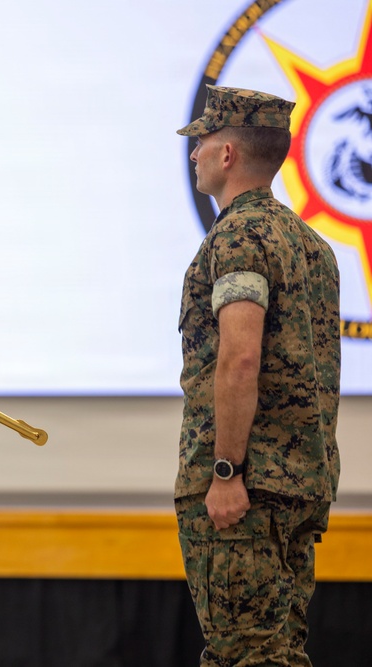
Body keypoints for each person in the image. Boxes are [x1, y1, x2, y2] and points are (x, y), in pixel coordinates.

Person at [174, 85, 341, 666]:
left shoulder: (239, 236)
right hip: (296, 486)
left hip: (247, 490)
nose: (193, 154)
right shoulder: (313, 244)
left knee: (244, 657)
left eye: (202, 143)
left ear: (228, 155)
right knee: (278, 653)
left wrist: (225, 471)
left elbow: (239, 356)